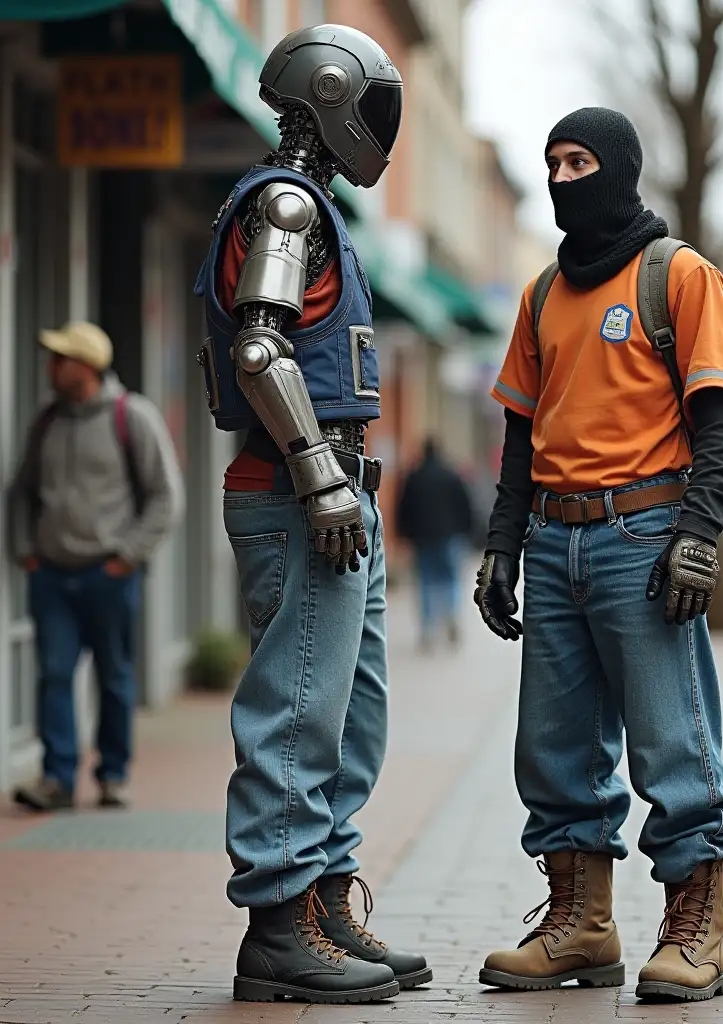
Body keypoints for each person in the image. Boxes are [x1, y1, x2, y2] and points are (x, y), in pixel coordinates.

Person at [473, 108, 723, 1003]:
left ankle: (697, 932)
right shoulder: (541, 295)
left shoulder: (679, 275)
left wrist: (699, 536)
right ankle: (580, 927)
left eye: (580, 160)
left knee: (674, 744)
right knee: (552, 750)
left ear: (621, 168)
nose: (562, 177)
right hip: (554, 541)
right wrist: (502, 547)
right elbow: (521, 436)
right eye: (551, 161)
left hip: (647, 537)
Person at [195, 25, 429, 1005]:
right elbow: (260, 347)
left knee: (347, 712)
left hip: (334, 495)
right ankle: (279, 928)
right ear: (329, 96)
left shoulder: (313, 207)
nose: (378, 129)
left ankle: (326, 901)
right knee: (297, 711)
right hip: (305, 493)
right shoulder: (287, 203)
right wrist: (320, 478)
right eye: (368, 107)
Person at [7, 321, 184, 812]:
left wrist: (126, 558)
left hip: (108, 575)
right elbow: (21, 491)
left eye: (59, 358)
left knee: (113, 676)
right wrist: (26, 550)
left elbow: (166, 498)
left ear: (83, 366)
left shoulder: (133, 417)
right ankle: (58, 779)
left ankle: (112, 775)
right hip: (53, 576)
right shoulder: (47, 422)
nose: (50, 366)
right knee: (55, 675)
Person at [396, 437, 474, 650]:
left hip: (422, 539)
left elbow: (404, 507)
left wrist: (403, 534)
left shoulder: (414, 476)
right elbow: (465, 505)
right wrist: (467, 531)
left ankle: (428, 628)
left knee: (426, 582)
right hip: (449, 536)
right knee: (451, 579)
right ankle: (451, 613)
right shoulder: (451, 475)